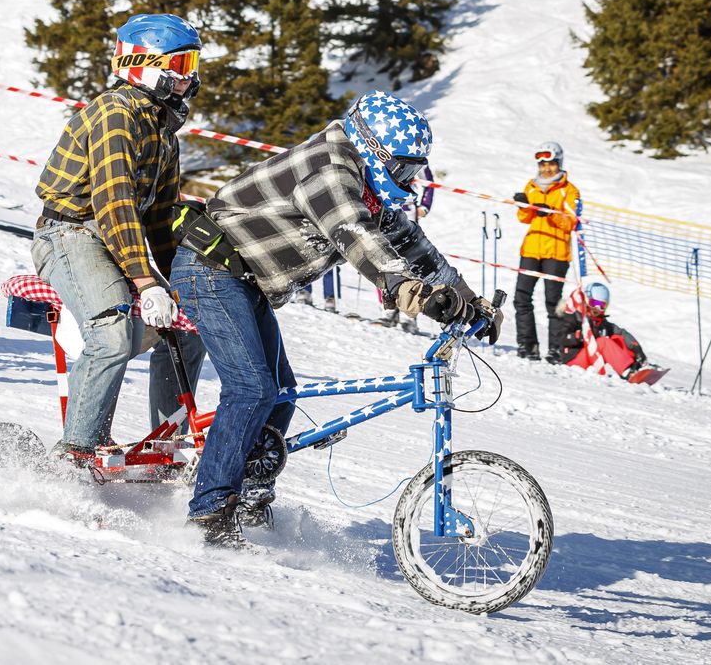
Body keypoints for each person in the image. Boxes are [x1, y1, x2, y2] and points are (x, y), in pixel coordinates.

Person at [171, 90, 500, 545]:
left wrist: (469, 300)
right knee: (252, 388)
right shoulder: (329, 168)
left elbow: (412, 245)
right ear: (373, 148)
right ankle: (209, 512)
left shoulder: (363, 181)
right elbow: (354, 234)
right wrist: (408, 291)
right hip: (209, 269)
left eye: (413, 171)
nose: (406, 180)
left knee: (280, 392)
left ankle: (249, 490)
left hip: (243, 281)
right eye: (402, 168)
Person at [32, 14, 207, 464]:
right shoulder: (116, 114)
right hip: (70, 233)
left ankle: (165, 444)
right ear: (145, 65)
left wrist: (181, 286)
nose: (191, 76)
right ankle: (75, 453)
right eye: (182, 63)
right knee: (111, 334)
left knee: (187, 330)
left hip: (112, 236)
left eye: (194, 63)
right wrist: (147, 285)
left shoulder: (162, 128)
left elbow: (161, 218)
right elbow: (114, 205)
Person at [512, 142, 579, 362]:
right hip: (532, 249)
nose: (546, 169)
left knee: (553, 302)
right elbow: (524, 219)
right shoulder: (532, 186)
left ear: (558, 163)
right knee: (522, 298)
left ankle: (556, 349)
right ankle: (527, 345)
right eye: (542, 164)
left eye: (550, 164)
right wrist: (524, 206)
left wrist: (550, 212)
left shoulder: (569, 190)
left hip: (556, 252)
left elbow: (571, 222)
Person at [376, 161, 436, 332]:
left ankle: (408, 314)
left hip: (408, 213)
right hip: (385, 210)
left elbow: (429, 182)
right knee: (383, 259)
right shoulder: (382, 151)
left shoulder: (414, 155)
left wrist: (424, 207)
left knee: (410, 262)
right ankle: (387, 309)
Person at [556, 281, 651, 377]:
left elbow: (622, 334)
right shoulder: (575, 316)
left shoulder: (601, 322)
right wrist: (579, 336)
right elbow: (561, 337)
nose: (597, 308)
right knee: (603, 342)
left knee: (617, 338)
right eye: (594, 303)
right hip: (573, 361)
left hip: (591, 357)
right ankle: (627, 372)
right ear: (587, 301)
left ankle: (639, 366)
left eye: (601, 305)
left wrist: (636, 349)